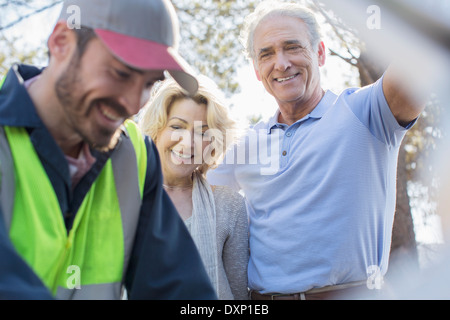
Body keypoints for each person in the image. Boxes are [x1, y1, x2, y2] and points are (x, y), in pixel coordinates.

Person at [207, 1, 426, 300]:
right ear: (257, 70)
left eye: (293, 47)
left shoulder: (366, 112)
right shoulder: (244, 144)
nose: (281, 63)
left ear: (320, 53)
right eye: (266, 54)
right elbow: (185, 194)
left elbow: (420, 57)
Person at [0, 0, 217, 300]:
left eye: (149, 84)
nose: (132, 104)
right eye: (121, 74)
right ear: (61, 42)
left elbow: (179, 291)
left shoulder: (137, 155)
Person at [139, 76, 249, 300]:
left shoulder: (229, 205)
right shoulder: (120, 196)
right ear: (157, 128)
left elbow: (238, 296)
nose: (188, 142)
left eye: (202, 132)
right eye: (177, 126)